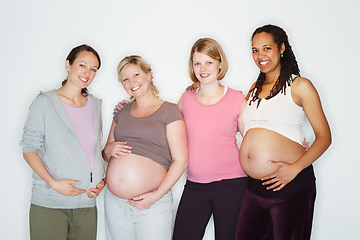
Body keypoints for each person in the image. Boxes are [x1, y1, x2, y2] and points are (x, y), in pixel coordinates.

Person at [235, 24, 331, 240]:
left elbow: (325, 137)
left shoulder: (300, 86)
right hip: (254, 189)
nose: (260, 55)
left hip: (290, 186)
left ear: (282, 48)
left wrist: (294, 169)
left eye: (266, 48)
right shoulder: (253, 88)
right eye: (255, 50)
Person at [20, 44, 106, 240]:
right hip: (50, 203)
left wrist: (102, 181)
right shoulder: (45, 102)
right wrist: (53, 184)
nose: (87, 73)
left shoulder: (96, 105)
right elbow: (28, 148)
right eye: (82, 65)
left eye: (93, 69)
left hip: (87, 205)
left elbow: (92, 151)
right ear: (68, 65)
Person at [103, 55, 188, 240]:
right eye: (125, 79)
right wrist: (108, 150)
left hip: (152, 203)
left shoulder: (169, 110)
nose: (131, 82)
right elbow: (106, 152)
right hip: (115, 202)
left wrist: (156, 196)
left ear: (149, 74)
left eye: (136, 74)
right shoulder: (121, 112)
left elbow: (181, 161)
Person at [172, 38, 248, 240]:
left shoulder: (237, 98)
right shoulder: (186, 98)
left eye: (209, 62)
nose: (202, 68)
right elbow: (166, 130)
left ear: (220, 64)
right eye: (197, 63)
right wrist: (131, 106)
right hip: (195, 184)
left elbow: (252, 138)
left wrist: (288, 145)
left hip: (232, 184)